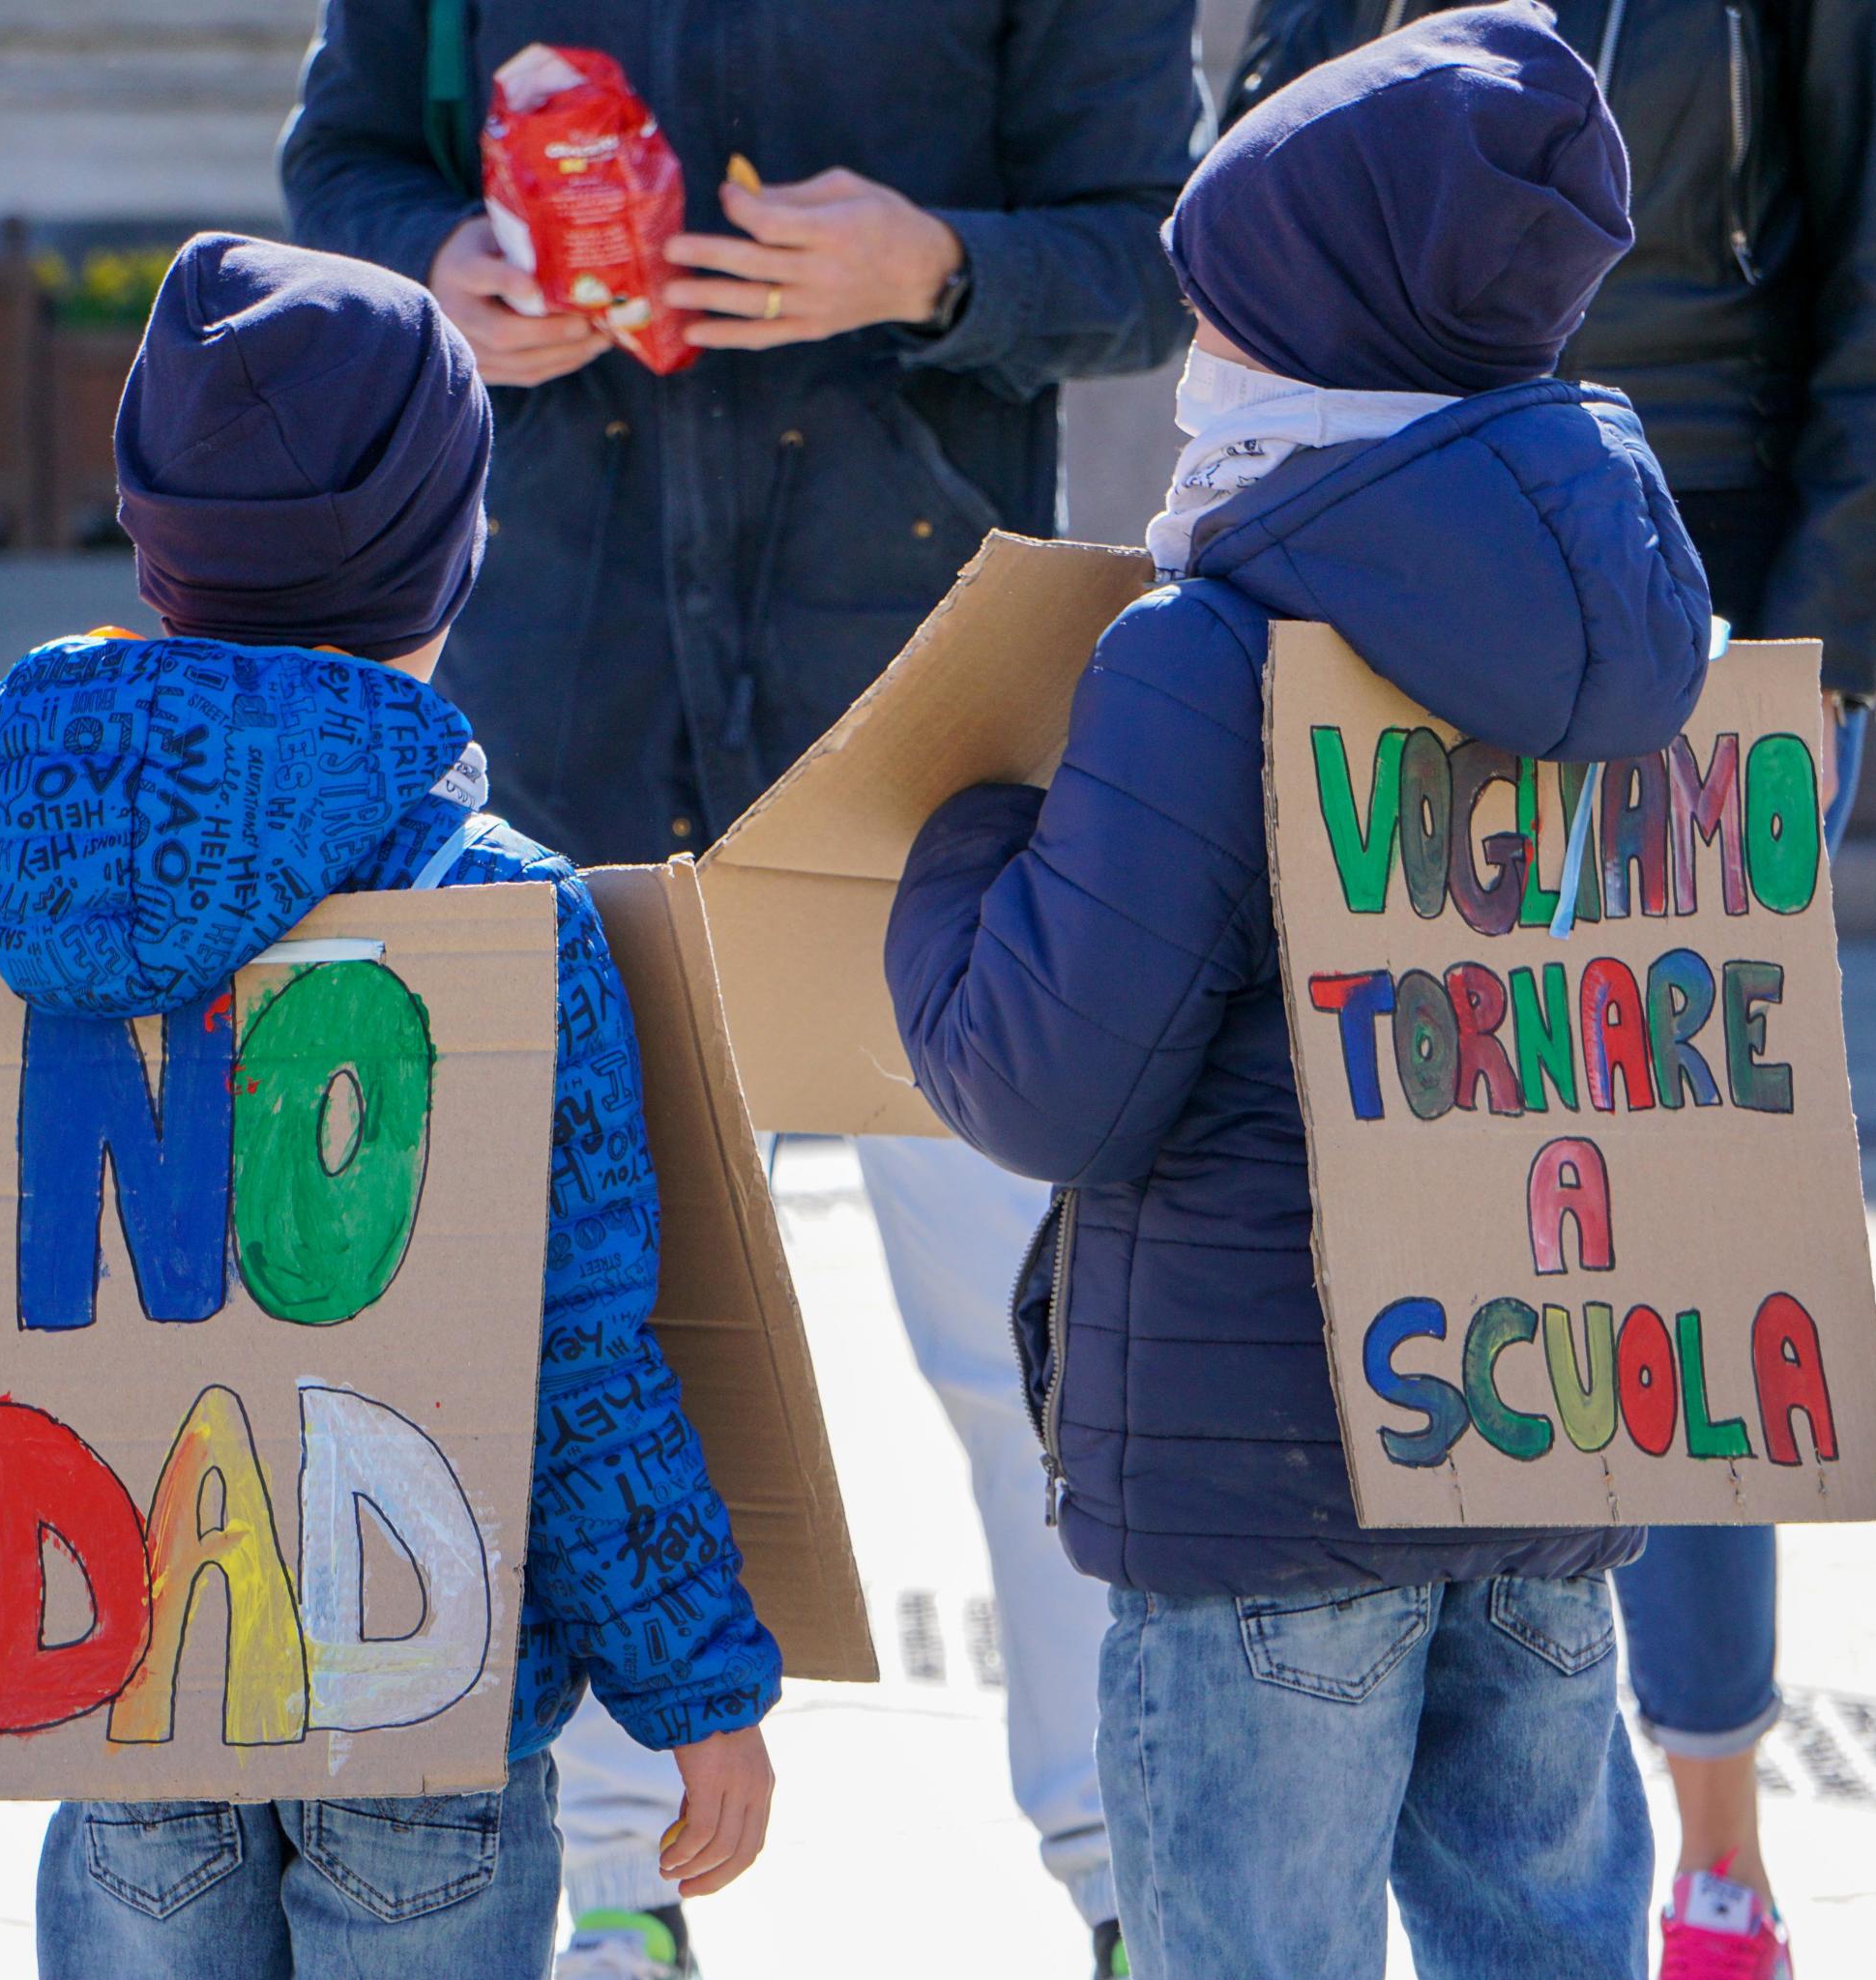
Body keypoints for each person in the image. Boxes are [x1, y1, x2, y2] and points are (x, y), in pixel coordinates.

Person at [283, 9, 1197, 1973]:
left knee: (1035, 1346)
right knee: (591, 1346)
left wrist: (938, 269)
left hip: (930, 737)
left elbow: (1158, 245)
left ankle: (1141, 1880)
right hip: (567, 709)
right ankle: (613, 1887)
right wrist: (432, 269)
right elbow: (343, 169)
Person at [884, 10, 1714, 1976]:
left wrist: (949, 856)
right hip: (1547, 1441)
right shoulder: (1650, 630)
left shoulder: (1204, 652)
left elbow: (1046, 1084)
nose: (1200, 360)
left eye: (1226, 314)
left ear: (1318, 335)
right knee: (1549, 1936)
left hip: (1263, 1492)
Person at [0, 235, 782, 1977]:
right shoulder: (498, 903)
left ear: (154, 535)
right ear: (450, 553)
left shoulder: (3, 877)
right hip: (424, 1687)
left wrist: (110, 1434)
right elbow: (574, 1355)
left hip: (120, 1657)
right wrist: (695, 1680)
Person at [1226, 7, 1876, 1970]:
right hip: (1368, 575)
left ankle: (1714, 1846)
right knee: (1404, 1208)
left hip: (1690, 612)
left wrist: (1818, 676)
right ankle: (1435, 1808)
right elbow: (1252, 161)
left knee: (1684, 1232)